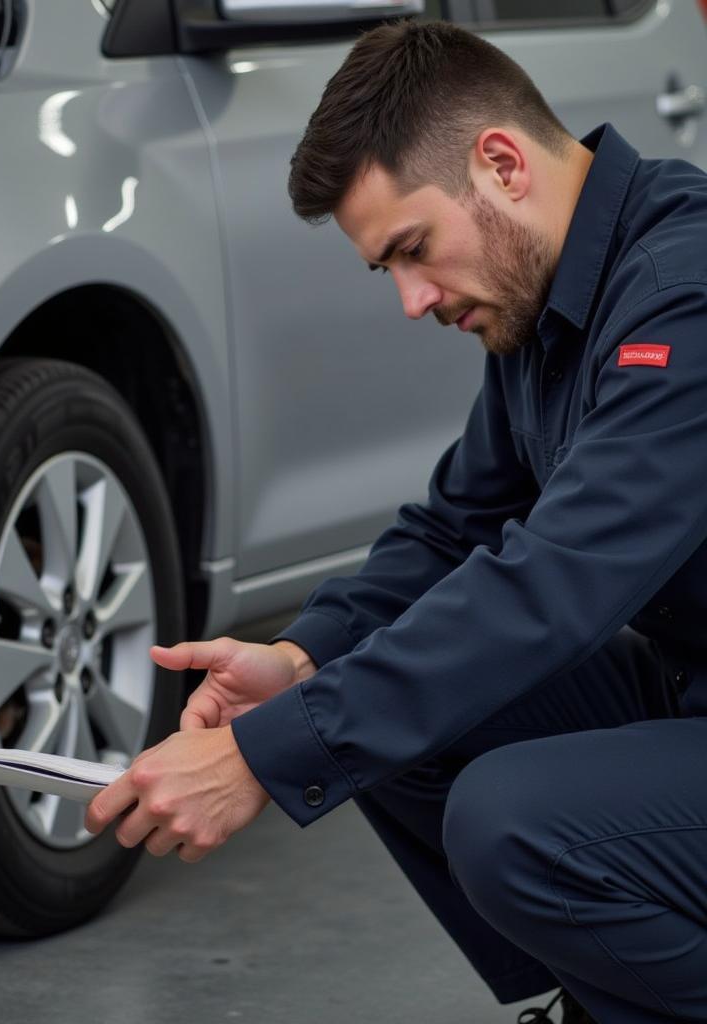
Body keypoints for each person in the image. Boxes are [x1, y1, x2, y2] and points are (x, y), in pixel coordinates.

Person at [84, 19, 707, 1024]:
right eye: (389, 270)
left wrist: (261, 755)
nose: (412, 300)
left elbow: (556, 584)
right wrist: (298, 662)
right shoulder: (548, 295)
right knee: (384, 716)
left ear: (500, 164)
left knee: (511, 824)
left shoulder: (683, 297)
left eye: (414, 250)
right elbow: (452, 530)